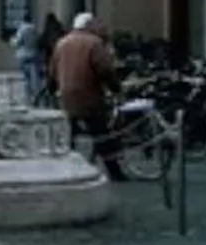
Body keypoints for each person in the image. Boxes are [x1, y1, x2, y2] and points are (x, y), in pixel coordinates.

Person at [48, 12, 126, 182]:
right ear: (89, 25)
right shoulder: (94, 43)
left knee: (69, 136)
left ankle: (64, 170)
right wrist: (115, 88)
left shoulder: (62, 43)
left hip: (66, 96)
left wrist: (53, 89)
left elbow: (52, 71)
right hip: (89, 96)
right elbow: (104, 69)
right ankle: (115, 172)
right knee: (101, 134)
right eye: (95, 23)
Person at [12, 20, 44, 103]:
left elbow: (18, 42)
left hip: (24, 55)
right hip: (34, 55)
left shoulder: (22, 29)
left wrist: (12, 41)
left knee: (26, 77)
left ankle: (28, 97)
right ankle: (36, 94)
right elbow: (38, 40)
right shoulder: (34, 29)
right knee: (35, 76)